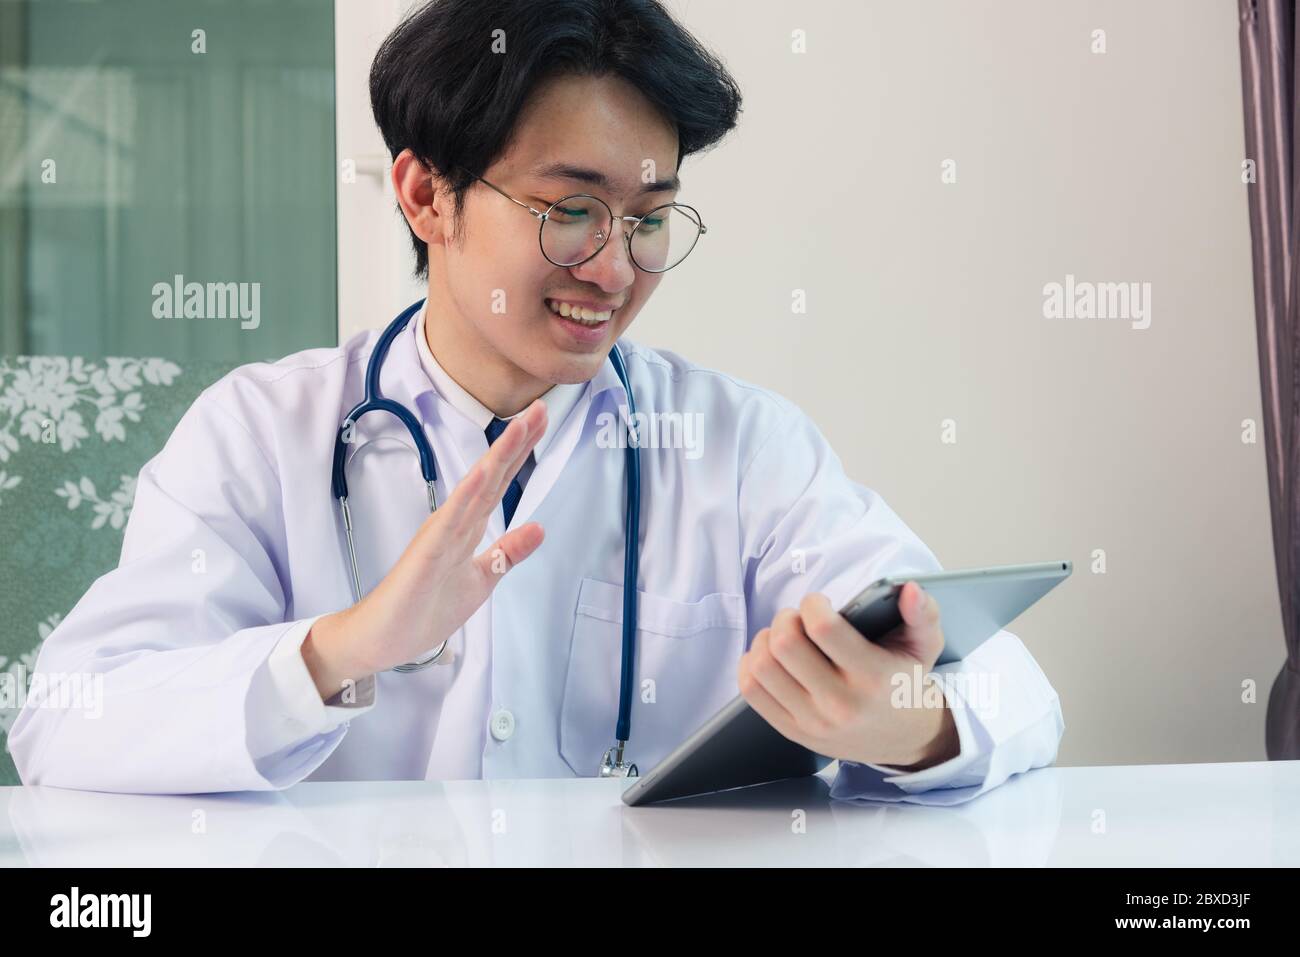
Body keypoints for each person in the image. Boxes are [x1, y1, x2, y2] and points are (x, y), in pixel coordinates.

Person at [10, 0, 1063, 804]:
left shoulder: (739, 448)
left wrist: (910, 721)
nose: (613, 267)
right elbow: (66, 723)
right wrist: (342, 649)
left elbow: (1012, 688)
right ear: (426, 195)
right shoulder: (259, 433)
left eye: (649, 219)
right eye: (570, 209)